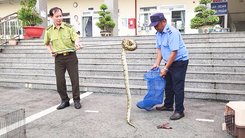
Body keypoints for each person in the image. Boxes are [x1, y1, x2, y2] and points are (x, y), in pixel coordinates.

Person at [149, 13, 189, 120]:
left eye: (157, 25)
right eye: (154, 26)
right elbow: (159, 49)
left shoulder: (173, 33)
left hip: (179, 61)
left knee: (177, 87)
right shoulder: (158, 33)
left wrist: (165, 68)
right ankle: (168, 105)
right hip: (169, 61)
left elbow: (174, 52)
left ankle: (180, 111)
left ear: (164, 22)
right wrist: (157, 63)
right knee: (168, 85)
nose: (155, 27)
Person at [44, 7, 83, 110]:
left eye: (61, 16)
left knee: (74, 80)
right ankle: (64, 100)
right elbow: (46, 44)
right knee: (60, 81)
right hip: (59, 58)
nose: (59, 18)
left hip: (71, 56)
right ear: (51, 17)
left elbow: (75, 38)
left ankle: (76, 100)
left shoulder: (68, 27)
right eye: (57, 16)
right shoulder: (49, 31)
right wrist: (50, 51)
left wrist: (77, 44)